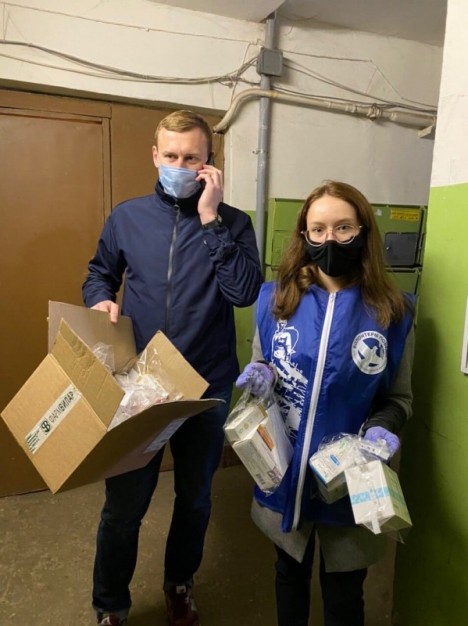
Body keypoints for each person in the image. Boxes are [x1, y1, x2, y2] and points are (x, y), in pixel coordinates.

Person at [82, 109, 262, 626]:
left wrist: (210, 218)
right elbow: (99, 274)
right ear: (155, 155)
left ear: (210, 162)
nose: (180, 166)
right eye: (171, 156)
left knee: (195, 498)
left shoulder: (234, 223)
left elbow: (243, 292)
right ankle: (111, 605)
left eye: (192, 158)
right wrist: (99, 300)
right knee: (124, 506)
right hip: (141, 384)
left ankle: (180, 584)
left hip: (206, 385)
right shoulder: (127, 218)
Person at [236, 180, 415, 626]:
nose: (329, 240)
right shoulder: (274, 299)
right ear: (304, 235)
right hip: (286, 472)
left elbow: (399, 397)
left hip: (351, 479)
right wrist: (261, 376)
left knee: (344, 593)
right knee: (288, 575)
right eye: (317, 230)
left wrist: (384, 425)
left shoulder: (393, 312)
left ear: (363, 232)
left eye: (343, 227)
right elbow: (262, 363)